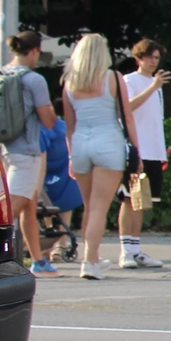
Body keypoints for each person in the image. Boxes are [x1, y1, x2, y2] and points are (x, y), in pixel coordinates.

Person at [60, 33, 136, 278]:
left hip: (81, 143)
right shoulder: (113, 78)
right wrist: (136, 149)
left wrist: (71, 157)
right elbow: (127, 115)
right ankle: (90, 262)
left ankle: (91, 257)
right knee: (99, 209)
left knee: (89, 206)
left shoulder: (69, 83)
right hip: (109, 142)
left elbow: (69, 126)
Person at [0, 30, 60, 274]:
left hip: (2, 149)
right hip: (26, 152)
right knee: (11, 208)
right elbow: (48, 120)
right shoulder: (33, 80)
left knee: (29, 205)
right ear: (33, 51)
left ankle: (38, 261)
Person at [114, 39, 171, 269]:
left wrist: (162, 149)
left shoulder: (157, 88)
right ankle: (125, 250)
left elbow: (154, 120)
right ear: (138, 58)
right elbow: (126, 108)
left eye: (156, 58)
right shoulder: (130, 81)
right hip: (136, 149)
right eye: (149, 57)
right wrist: (152, 87)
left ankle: (136, 249)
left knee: (142, 201)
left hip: (153, 150)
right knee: (129, 199)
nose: (152, 62)